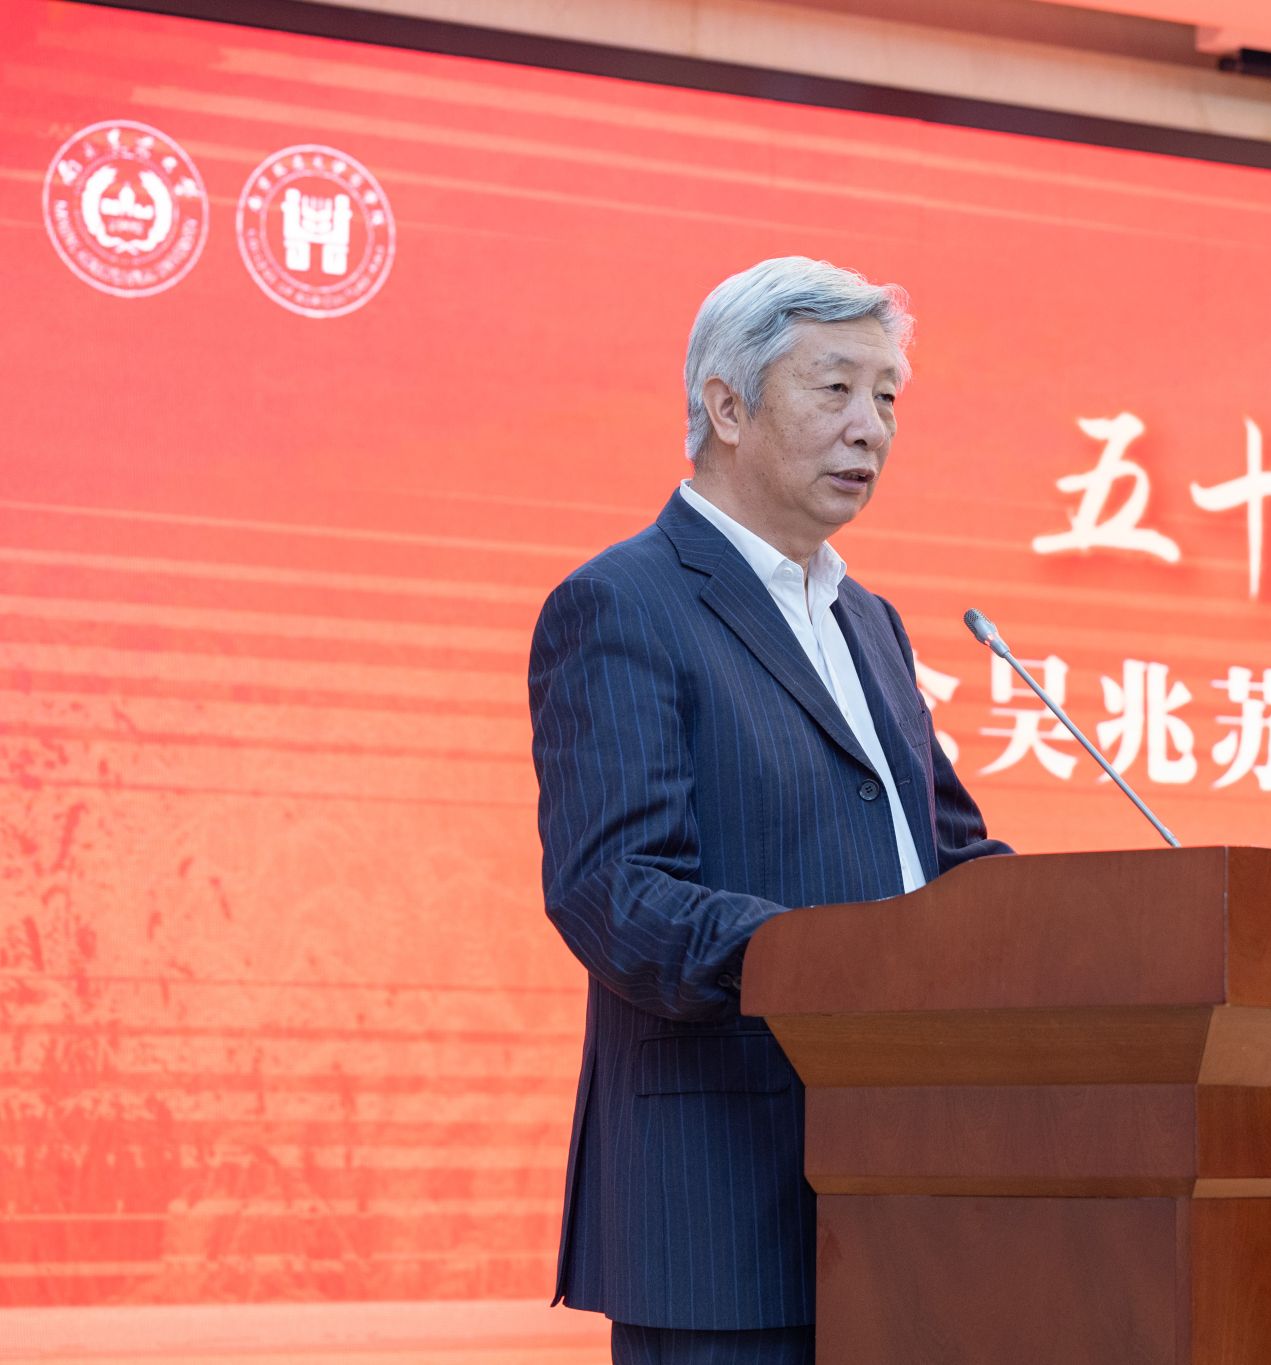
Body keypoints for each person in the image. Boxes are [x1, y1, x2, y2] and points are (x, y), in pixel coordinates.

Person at [528, 257, 1010, 1364]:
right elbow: (616, 892)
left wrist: (1097, 926)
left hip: (906, 1201)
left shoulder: (869, 623)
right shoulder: (622, 603)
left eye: (887, 396)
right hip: (723, 1213)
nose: (871, 427)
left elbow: (949, 856)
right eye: (835, 388)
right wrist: (844, 963)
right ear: (728, 406)